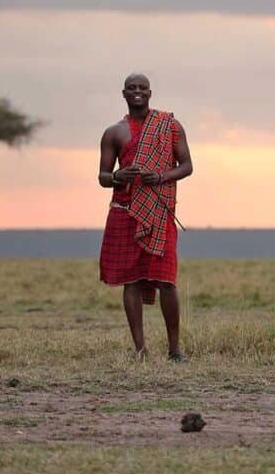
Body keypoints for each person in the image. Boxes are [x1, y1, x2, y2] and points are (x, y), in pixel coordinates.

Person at [98, 73, 193, 361]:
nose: (137, 92)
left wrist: (161, 176)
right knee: (132, 281)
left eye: (142, 88)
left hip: (160, 212)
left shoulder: (170, 126)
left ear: (150, 93)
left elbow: (187, 166)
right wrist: (117, 176)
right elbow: (102, 177)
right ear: (123, 94)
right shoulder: (114, 133)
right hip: (126, 213)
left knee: (166, 281)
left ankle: (174, 350)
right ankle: (140, 351)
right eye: (131, 89)